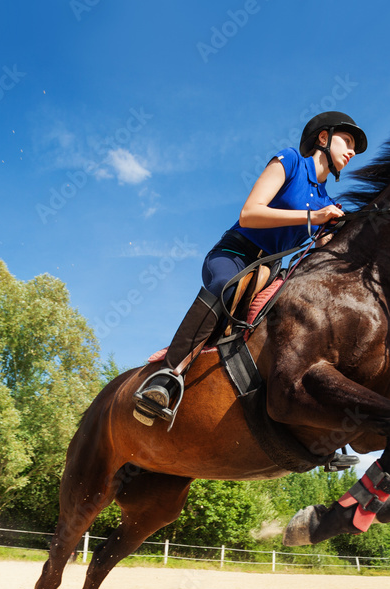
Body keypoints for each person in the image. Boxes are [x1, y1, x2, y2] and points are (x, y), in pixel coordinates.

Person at [133, 111, 368, 423]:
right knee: (225, 286)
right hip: (234, 254)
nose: (351, 151)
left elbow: (321, 244)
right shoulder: (290, 161)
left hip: (270, 270)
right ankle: (165, 377)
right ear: (323, 138)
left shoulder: (326, 200)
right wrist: (314, 218)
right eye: (347, 141)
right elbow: (250, 214)